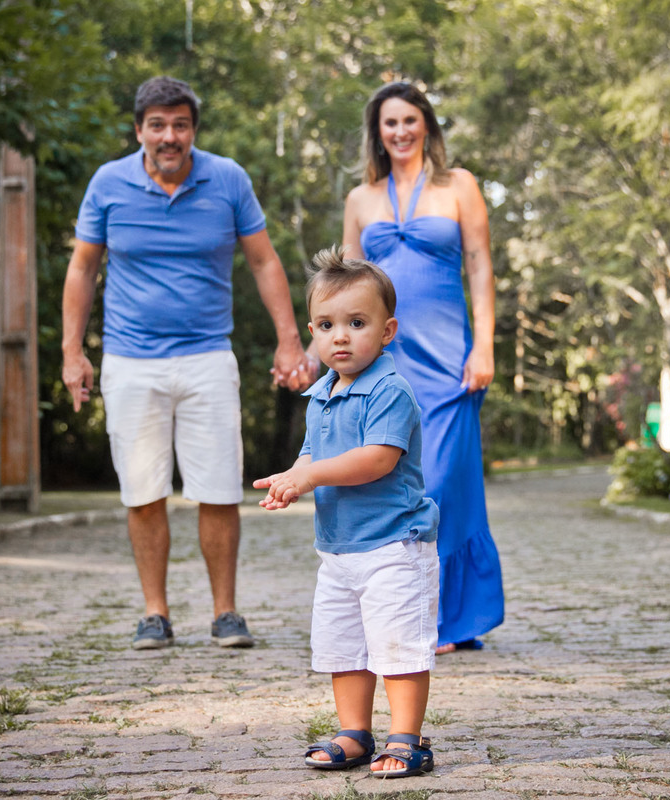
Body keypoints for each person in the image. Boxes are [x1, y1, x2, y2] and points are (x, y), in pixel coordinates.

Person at [61, 75, 314, 651]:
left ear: (193, 131)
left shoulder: (227, 179)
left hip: (206, 357)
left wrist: (288, 342)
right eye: (158, 125)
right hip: (130, 360)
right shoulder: (108, 184)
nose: (169, 136)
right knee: (142, 491)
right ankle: (155, 613)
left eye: (180, 124)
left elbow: (264, 262)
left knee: (220, 489)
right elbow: (82, 269)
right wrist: (72, 352)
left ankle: (226, 612)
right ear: (139, 131)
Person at [254, 247, 439, 778]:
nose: (340, 336)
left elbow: (376, 459)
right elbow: (315, 453)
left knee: (398, 645)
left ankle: (408, 738)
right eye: (327, 325)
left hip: (394, 547)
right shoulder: (320, 396)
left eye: (356, 323)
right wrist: (293, 477)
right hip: (338, 549)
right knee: (344, 646)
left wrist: (311, 475)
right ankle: (354, 732)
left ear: (386, 330)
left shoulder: (390, 390)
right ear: (311, 331)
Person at [340, 81, 504, 654]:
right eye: (391, 123)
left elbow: (481, 266)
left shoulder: (459, 186)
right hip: (386, 361)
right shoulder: (361, 198)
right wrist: (330, 355)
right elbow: (347, 291)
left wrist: (483, 345)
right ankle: (398, 612)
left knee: (444, 484)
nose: (402, 131)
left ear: (427, 126)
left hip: (448, 360)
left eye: (411, 120)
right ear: (378, 133)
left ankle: (450, 619)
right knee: (389, 484)